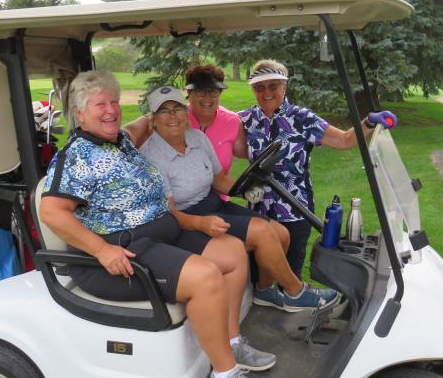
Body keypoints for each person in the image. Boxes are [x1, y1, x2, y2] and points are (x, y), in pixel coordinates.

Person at [38, 70, 275, 378]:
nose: (111, 110)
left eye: (114, 102)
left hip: (160, 237)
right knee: (206, 275)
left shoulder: (118, 139)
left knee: (233, 250)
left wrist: (151, 117)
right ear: (79, 113)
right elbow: (53, 212)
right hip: (121, 253)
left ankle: (232, 342)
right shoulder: (77, 156)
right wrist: (102, 250)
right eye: (100, 104)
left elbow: (139, 125)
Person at [137, 86, 340, 312]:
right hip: (186, 218)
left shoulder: (197, 138)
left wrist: (243, 190)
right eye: (164, 111)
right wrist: (201, 223)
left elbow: (218, 178)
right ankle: (295, 291)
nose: (172, 116)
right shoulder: (150, 156)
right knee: (262, 232)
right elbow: (169, 213)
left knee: (281, 234)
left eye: (177, 109)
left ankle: (263, 291)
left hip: (213, 203)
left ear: (186, 112)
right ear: (153, 119)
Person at [240, 60, 396, 278]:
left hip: (294, 207)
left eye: (273, 85)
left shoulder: (301, 118)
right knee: (258, 272)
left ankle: (291, 303)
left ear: (284, 87)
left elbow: (343, 140)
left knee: (290, 273)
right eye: (259, 87)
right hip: (258, 210)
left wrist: (368, 122)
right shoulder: (246, 119)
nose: (266, 92)